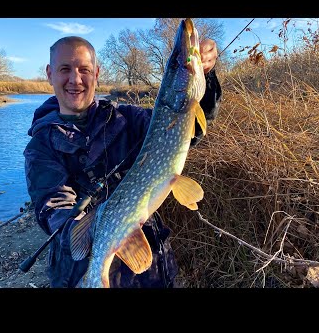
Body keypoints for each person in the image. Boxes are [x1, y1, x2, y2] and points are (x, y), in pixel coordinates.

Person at [23, 32, 222, 288]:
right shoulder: (41, 148)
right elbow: (54, 210)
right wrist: (100, 230)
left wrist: (204, 74)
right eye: (65, 69)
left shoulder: (127, 118)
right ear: (50, 73)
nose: (75, 79)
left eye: (84, 69)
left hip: (153, 273)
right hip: (80, 270)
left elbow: (188, 131)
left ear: (96, 73)